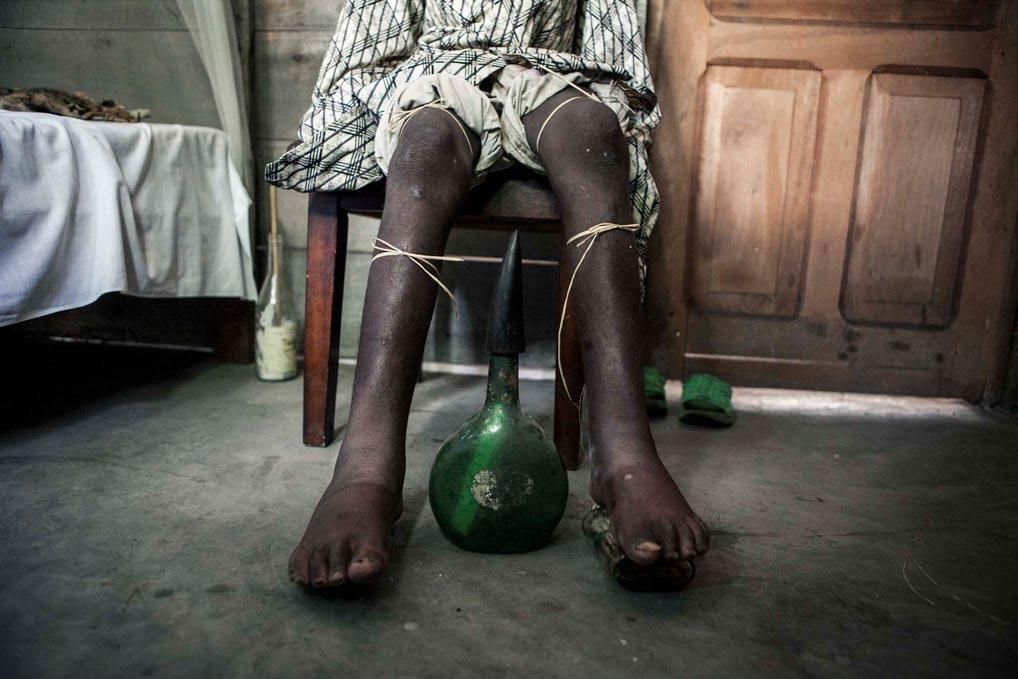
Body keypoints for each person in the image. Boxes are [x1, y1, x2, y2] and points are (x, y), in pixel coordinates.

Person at [266, 0, 709, 588]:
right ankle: (365, 471)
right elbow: (361, 62)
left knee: (596, 133)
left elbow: (617, 68)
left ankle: (626, 458)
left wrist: (575, 95)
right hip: (439, 85)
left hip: (550, 83)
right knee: (423, 151)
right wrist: (420, 92)